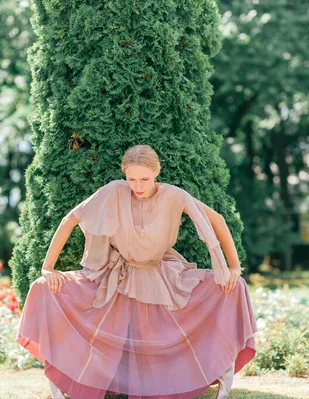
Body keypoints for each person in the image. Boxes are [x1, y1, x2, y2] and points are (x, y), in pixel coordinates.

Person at [16, 144, 258, 399]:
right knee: (43, 286)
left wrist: (232, 267)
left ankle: (220, 370)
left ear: (157, 172)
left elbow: (216, 220)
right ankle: (65, 377)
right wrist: (48, 266)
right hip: (115, 275)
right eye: (132, 179)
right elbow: (70, 220)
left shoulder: (175, 195)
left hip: (162, 275)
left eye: (144, 178)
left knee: (233, 286)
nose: (138, 185)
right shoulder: (114, 191)